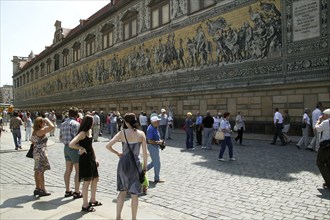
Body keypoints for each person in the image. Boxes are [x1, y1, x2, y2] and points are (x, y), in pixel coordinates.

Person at [106, 113, 148, 220]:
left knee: (122, 191)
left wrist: (118, 153)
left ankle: (118, 217)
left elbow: (108, 146)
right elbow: (145, 153)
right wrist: (144, 167)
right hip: (136, 163)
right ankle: (134, 218)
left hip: (123, 163)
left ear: (125, 122)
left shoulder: (122, 133)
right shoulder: (141, 134)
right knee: (134, 194)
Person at [69, 115, 101, 212]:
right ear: (89, 123)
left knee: (95, 178)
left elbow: (90, 146)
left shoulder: (89, 131)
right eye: (92, 122)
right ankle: (85, 204)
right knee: (87, 181)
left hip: (91, 157)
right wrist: (81, 148)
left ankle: (93, 199)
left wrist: (95, 158)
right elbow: (71, 144)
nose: (93, 123)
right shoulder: (82, 133)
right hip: (85, 159)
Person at [59, 107, 82, 199]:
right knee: (78, 171)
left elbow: (60, 137)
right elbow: (79, 137)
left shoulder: (63, 123)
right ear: (76, 115)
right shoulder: (76, 124)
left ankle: (68, 190)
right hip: (75, 148)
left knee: (68, 170)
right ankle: (77, 191)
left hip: (66, 148)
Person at [31, 116, 54, 196]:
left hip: (36, 152)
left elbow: (33, 142)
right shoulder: (41, 131)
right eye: (43, 122)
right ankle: (42, 189)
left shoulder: (34, 131)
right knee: (41, 172)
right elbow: (52, 126)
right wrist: (47, 119)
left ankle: (37, 188)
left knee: (37, 170)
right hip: (41, 152)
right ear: (40, 124)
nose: (44, 123)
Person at [146, 115, 165, 182]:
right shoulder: (150, 129)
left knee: (153, 162)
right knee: (157, 163)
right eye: (157, 121)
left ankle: (141, 172)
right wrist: (158, 142)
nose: (158, 122)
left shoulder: (155, 127)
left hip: (154, 146)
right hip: (152, 146)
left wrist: (160, 141)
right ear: (153, 122)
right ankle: (156, 178)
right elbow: (149, 140)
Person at [315, 108, 330, 189]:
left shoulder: (326, 122)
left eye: (323, 114)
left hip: (325, 146)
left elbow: (317, 128)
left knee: (320, 163)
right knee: (328, 163)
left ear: (327, 115)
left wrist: (318, 121)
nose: (322, 116)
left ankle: (329, 181)